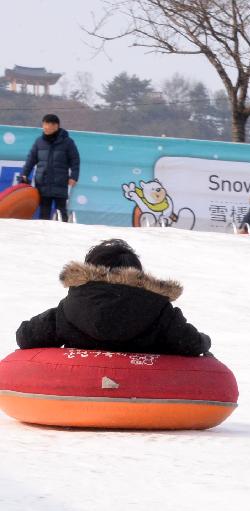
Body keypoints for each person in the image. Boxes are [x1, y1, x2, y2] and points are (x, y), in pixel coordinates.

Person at [16, 239, 211, 356]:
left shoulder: (71, 307)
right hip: (143, 397)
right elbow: (191, 343)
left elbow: (26, 336)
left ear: (88, 271)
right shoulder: (159, 309)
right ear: (139, 275)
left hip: (81, 392)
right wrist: (205, 340)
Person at [20, 114, 80, 222]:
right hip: (42, 183)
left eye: (49, 124)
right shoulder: (39, 142)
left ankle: (64, 233)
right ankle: (43, 236)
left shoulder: (67, 142)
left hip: (60, 183)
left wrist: (74, 177)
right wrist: (24, 174)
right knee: (44, 213)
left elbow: (75, 161)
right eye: (44, 124)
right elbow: (31, 160)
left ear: (56, 126)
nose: (46, 127)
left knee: (61, 212)